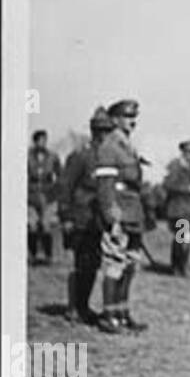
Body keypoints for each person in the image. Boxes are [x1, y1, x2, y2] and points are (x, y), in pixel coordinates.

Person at [92, 99, 148, 333]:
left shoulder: (127, 146)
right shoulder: (110, 146)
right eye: (127, 117)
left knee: (130, 265)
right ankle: (109, 315)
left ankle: (122, 313)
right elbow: (105, 187)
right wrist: (111, 216)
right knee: (115, 264)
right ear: (114, 120)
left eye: (134, 117)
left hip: (133, 211)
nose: (132, 121)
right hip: (120, 210)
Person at [57, 106, 115, 324]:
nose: (104, 135)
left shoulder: (108, 158)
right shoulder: (81, 156)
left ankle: (84, 306)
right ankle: (74, 308)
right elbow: (65, 187)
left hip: (97, 221)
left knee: (93, 264)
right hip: (80, 218)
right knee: (80, 263)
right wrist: (66, 217)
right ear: (93, 131)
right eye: (101, 131)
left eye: (107, 130)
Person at [162, 140, 190, 277]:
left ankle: (179, 266)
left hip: (188, 209)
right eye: (188, 152)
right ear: (182, 152)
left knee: (183, 238)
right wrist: (187, 189)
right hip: (178, 208)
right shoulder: (175, 165)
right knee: (182, 238)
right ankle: (179, 267)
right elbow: (167, 184)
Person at [28, 130, 63, 264]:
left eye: (44, 140)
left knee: (46, 225)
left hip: (48, 195)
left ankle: (48, 256)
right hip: (31, 195)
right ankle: (33, 255)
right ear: (35, 141)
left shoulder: (53, 156)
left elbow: (60, 175)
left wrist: (56, 191)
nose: (42, 143)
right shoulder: (27, 156)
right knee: (32, 225)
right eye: (39, 140)